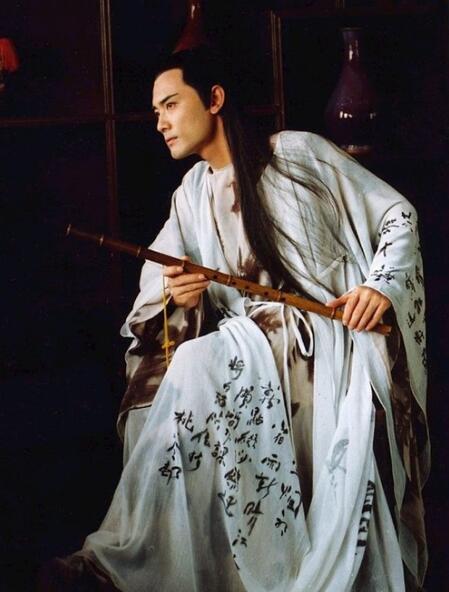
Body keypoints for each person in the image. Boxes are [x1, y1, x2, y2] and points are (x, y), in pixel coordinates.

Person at [39, 47, 429, 592]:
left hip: (325, 340)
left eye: (171, 104)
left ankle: (121, 563)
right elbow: (158, 284)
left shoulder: (297, 153)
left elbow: (396, 213)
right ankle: (144, 556)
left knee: (197, 365)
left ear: (215, 98)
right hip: (250, 344)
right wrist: (178, 297)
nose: (161, 123)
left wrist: (378, 286)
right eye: (155, 112)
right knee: (181, 372)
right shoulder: (192, 194)